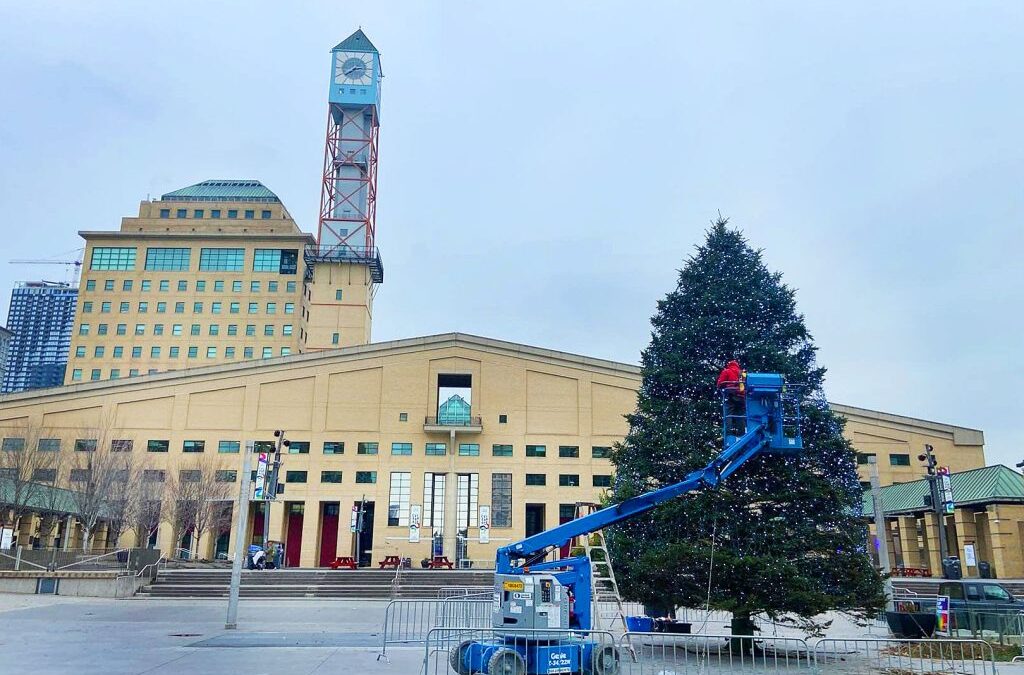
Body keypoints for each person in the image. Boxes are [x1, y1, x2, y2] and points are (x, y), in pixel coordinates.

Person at [717, 360, 745, 435]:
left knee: (728, 415)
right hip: (742, 397)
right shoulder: (742, 373)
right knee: (740, 416)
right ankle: (741, 433)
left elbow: (719, 384)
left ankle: (728, 433)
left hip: (731, 395)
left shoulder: (727, 371)